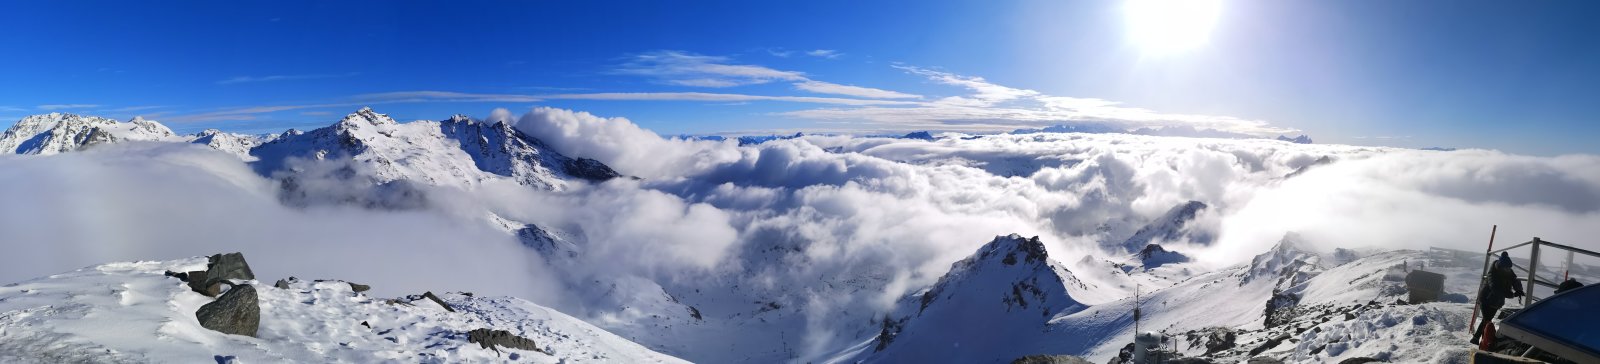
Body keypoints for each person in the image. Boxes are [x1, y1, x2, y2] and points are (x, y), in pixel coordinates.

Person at [1471, 252, 1526, 345]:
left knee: (1487, 320)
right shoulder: (1492, 273)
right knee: (1487, 320)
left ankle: (1478, 339)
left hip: (1496, 301)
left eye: (1509, 268)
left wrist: (1519, 289)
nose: (1508, 270)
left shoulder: (1508, 270)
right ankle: (1481, 340)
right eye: (1506, 268)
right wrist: (1512, 295)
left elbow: (1514, 280)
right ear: (1500, 266)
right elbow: (1496, 289)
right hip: (1486, 299)